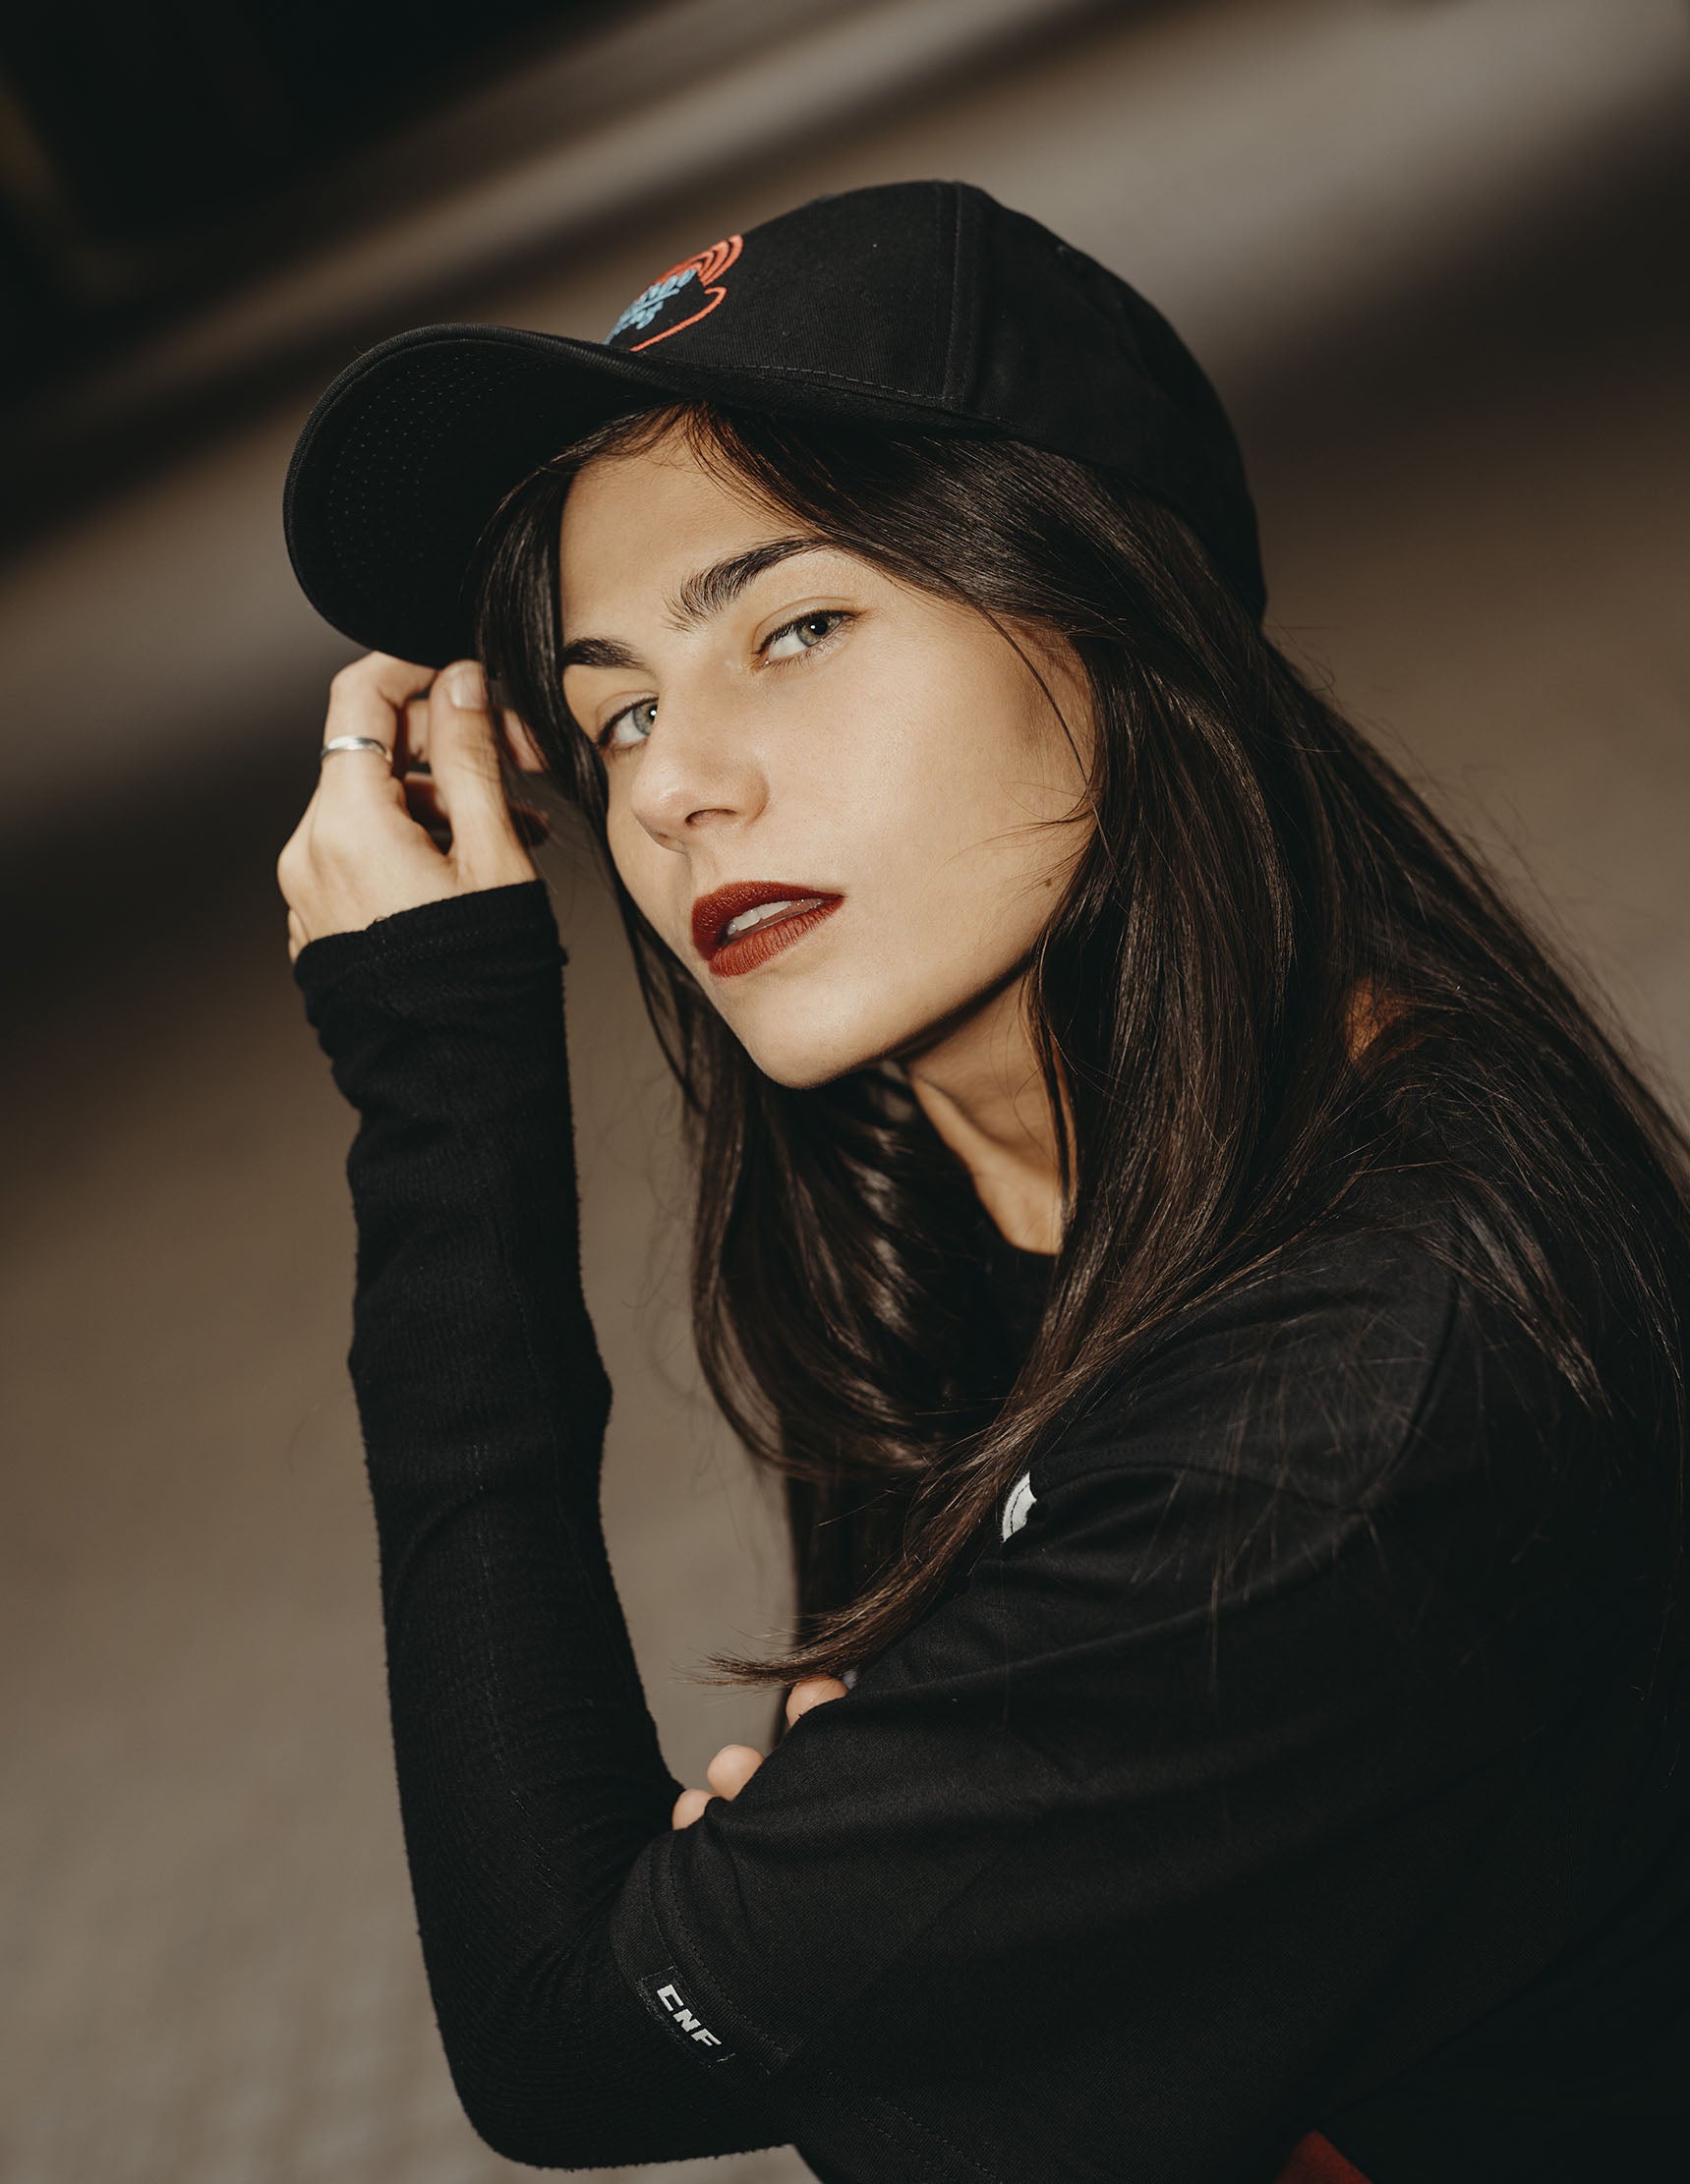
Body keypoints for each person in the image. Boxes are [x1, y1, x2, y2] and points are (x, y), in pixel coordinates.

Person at [275, 182, 1690, 2181]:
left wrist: (441, 1090)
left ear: (1111, 611)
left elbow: (564, 2030)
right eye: (616, 711)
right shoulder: (949, 1191)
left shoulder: (1348, 1405)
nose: (672, 786)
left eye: (794, 628)